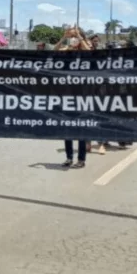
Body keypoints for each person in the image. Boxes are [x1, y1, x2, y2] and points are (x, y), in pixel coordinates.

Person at [57, 27, 91, 168]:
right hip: (67, 95)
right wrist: (63, 37)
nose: (73, 38)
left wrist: (80, 38)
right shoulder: (66, 50)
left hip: (82, 95)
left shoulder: (84, 49)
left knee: (81, 129)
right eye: (71, 36)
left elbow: (89, 53)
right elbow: (54, 50)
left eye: (74, 36)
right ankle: (69, 157)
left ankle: (81, 159)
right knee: (67, 129)